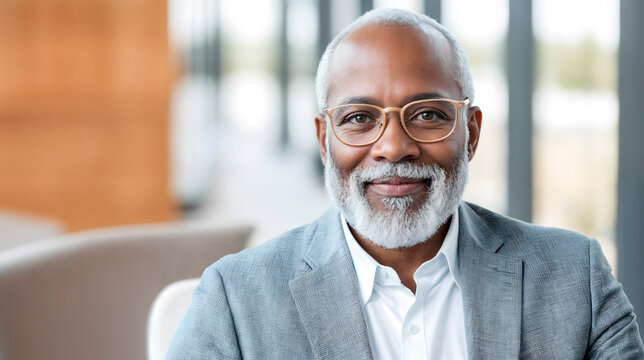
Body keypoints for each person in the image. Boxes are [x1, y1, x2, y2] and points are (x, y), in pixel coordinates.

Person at [167, 8, 643, 359]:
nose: (393, 147)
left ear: (471, 133)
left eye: (429, 115)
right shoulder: (235, 300)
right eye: (358, 118)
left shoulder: (575, 278)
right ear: (323, 139)